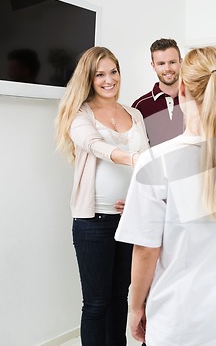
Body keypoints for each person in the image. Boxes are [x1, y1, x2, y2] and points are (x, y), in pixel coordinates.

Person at [115, 46, 216, 345]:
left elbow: (146, 250)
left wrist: (135, 307)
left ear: (181, 89)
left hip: (182, 323)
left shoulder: (153, 162)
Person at [54, 46, 149, 346]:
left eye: (113, 72)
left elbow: (148, 164)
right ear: (89, 79)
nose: (109, 80)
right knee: (96, 304)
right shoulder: (78, 114)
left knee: (120, 298)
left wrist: (137, 198)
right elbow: (95, 146)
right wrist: (131, 158)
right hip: (93, 222)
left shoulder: (134, 114)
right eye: (100, 74)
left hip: (128, 220)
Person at [132, 38, 185, 147]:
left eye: (172, 62)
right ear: (153, 66)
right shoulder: (140, 106)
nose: (168, 68)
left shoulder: (196, 99)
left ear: (180, 62)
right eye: (161, 63)